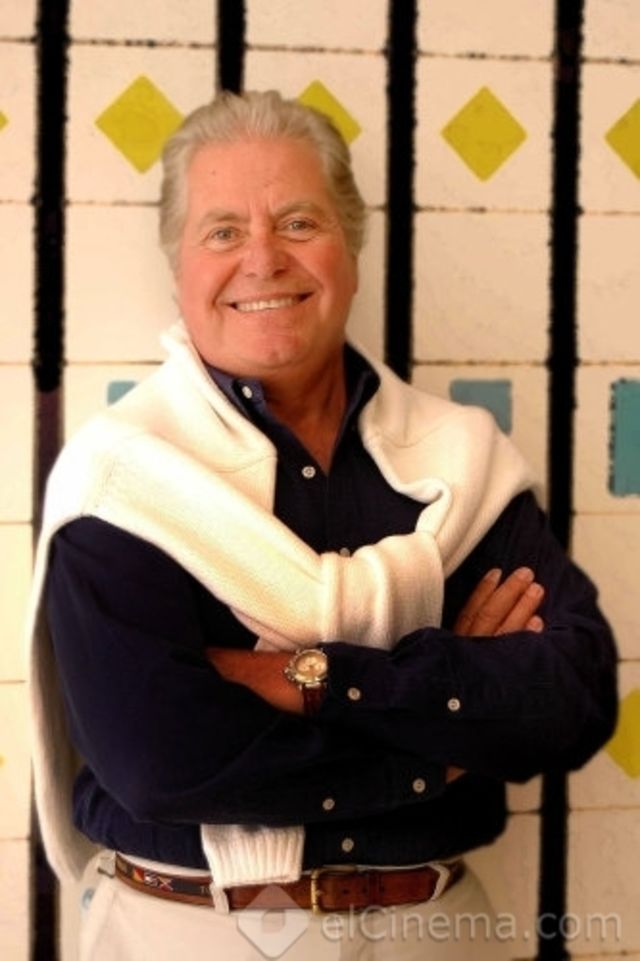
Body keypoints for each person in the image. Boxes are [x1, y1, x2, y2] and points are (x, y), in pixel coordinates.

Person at [27, 90, 617, 961]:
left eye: (298, 222)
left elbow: (571, 699)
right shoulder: (122, 477)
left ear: (351, 245)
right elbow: (160, 760)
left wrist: (309, 679)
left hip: (436, 931)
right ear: (179, 263)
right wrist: (444, 739)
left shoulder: (463, 458)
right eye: (223, 230)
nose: (263, 258)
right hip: (185, 933)